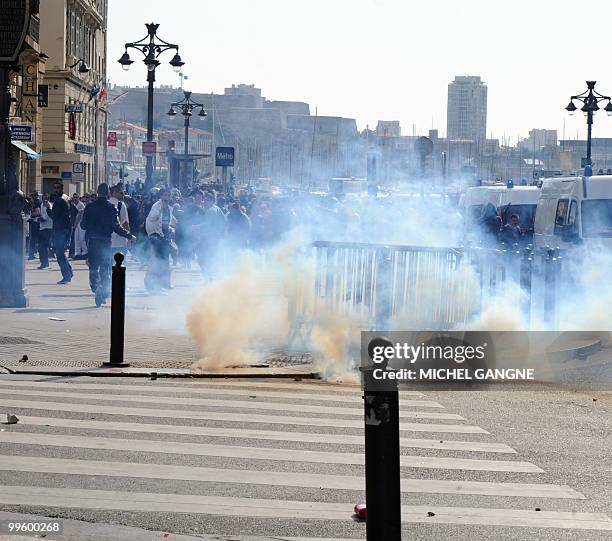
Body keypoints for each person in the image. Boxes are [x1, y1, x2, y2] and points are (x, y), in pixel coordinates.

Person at [81, 183, 136, 306]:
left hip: (92, 241)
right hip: (105, 241)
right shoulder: (112, 208)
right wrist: (129, 235)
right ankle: (102, 290)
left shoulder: (89, 207)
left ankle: (96, 288)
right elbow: (116, 227)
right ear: (108, 193)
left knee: (93, 267)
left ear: (97, 192)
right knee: (105, 269)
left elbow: (83, 225)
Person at [145, 188, 176, 292]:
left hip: (165, 238)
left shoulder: (170, 208)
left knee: (165, 261)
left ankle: (163, 284)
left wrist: (171, 229)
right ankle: (152, 285)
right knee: (156, 261)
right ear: (161, 196)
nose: (167, 197)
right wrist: (160, 210)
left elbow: (167, 223)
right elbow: (151, 219)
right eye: (165, 195)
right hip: (156, 237)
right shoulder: (156, 206)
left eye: (169, 195)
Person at [195, 191, 226, 279]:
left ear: (212, 201)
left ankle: (208, 276)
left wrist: (195, 227)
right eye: (205, 200)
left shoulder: (211, 210)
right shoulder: (217, 208)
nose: (205, 202)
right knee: (209, 258)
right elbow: (224, 221)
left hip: (209, 239)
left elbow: (206, 224)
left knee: (202, 258)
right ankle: (210, 276)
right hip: (214, 238)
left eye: (208, 200)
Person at [49, 183, 73, 284]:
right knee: (60, 253)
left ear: (61, 189)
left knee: (59, 254)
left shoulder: (60, 201)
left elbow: (54, 216)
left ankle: (67, 275)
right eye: (54, 188)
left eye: (57, 188)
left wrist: (48, 209)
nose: (55, 190)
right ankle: (69, 273)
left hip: (61, 231)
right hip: (63, 230)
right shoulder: (64, 199)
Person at [109, 183, 130, 255]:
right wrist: (128, 237)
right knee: (120, 264)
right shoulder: (121, 204)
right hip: (119, 241)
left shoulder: (106, 203)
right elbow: (125, 223)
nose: (123, 194)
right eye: (121, 193)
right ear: (114, 193)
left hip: (107, 241)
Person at [38, 193, 53, 269]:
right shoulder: (41, 205)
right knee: (40, 246)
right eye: (44, 199)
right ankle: (43, 262)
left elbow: (44, 218)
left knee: (44, 246)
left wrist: (37, 219)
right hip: (42, 228)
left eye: (46, 199)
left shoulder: (49, 206)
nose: (45, 200)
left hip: (48, 228)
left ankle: (45, 262)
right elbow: (41, 215)